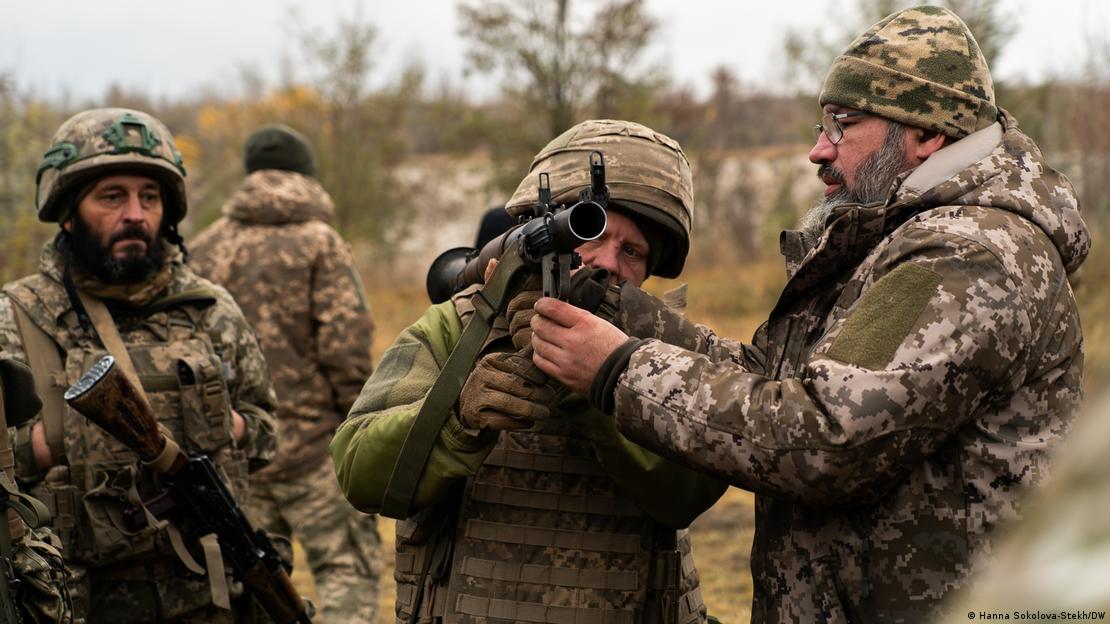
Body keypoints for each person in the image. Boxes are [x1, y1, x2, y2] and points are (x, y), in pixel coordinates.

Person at [529, 7, 1090, 623]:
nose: (818, 150)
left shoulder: (965, 256)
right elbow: (775, 379)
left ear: (927, 133)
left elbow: (827, 439)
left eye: (842, 125)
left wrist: (617, 370)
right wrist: (612, 304)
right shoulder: (903, 237)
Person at [331, 120, 728, 624]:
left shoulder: (668, 349)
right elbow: (361, 473)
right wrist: (457, 419)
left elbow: (687, 495)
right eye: (594, 231)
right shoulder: (454, 330)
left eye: (633, 251)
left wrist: (602, 382)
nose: (607, 264)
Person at [0, 107, 279, 622]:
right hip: (72, 602)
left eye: (149, 197)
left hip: (205, 597)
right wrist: (47, 444)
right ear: (67, 210)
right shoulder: (17, 319)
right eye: (112, 196)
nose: (135, 213)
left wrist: (214, 423)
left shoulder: (210, 310)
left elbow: (265, 435)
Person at [190, 123, 381, 623]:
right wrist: (358, 421)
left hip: (239, 453)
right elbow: (346, 345)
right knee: (346, 574)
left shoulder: (206, 246)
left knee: (255, 592)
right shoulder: (320, 242)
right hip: (317, 450)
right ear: (306, 174)